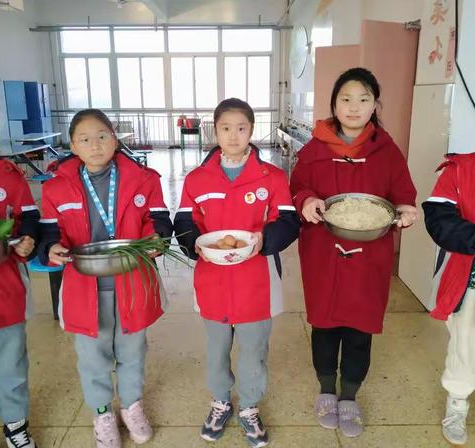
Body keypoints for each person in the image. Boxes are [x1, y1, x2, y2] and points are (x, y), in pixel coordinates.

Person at [290, 67, 418, 437]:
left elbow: (402, 193)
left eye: (364, 99)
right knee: (325, 325)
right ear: (334, 103)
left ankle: (350, 396)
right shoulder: (314, 149)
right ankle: (326, 390)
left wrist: (407, 209)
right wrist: (306, 200)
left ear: (375, 105)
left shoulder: (387, 150)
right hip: (323, 253)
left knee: (360, 328)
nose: (354, 107)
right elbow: (296, 188)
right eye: (346, 98)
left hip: (370, 257)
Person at [38, 109, 173, 448]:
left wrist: (156, 238)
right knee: (92, 356)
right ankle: (102, 414)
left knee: (133, 351)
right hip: (84, 289)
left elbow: (158, 220)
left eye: (102, 136)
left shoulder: (144, 180)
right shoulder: (56, 188)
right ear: (73, 145)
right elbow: (50, 235)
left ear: (115, 139)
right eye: (85, 139)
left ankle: (131, 406)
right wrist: (52, 248)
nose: (95, 145)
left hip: (132, 285)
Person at [174, 98, 300, 447]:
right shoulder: (198, 179)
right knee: (216, 348)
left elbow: (289, 221)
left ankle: (249, 406)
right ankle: (219, 401)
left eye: (241, 128)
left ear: (251, 131)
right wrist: (195, 243)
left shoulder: (271, 177)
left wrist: (265, 239)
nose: (233, 135)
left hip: (256, 279)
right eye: (225, 128)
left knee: (253, 348)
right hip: (212, 279)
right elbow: (185, 221)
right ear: (215, 131)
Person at [423, 152, 475, 446]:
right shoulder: (462, 169)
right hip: (471, 277)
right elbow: (440, 220)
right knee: (465, 342)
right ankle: (458, 403)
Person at [0, 156, 39, 448]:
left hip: (4, 291)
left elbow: (30, 218)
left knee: (10, 364)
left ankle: (15, 425)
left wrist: (27, 240)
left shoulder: (7, 176)